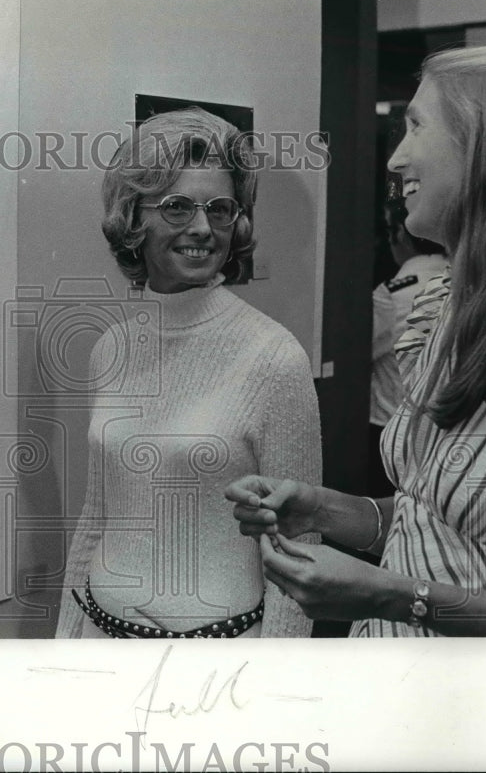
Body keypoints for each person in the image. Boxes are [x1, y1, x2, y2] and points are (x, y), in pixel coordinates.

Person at [228, 45, 486, 637]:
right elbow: (433, 523)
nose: (396, 160)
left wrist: (395, 598)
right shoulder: (448, 309)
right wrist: (324, 509)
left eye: (416, 126)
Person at [56, 107, 322, 639]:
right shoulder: (109, 348)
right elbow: (98, 512)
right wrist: (66, 636)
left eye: (219, 209)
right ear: (134, 217)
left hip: (216, 658)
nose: (202, 228)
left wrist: (279, 687)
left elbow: (298, 545)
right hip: (98, 635)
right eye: (177, 207)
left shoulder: (273, 357)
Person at [368, 201, 447, 497]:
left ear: (400, 233)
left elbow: (359, 352)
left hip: (390, 422)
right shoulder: (465, 279)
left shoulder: (393, 292)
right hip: (445, 425)